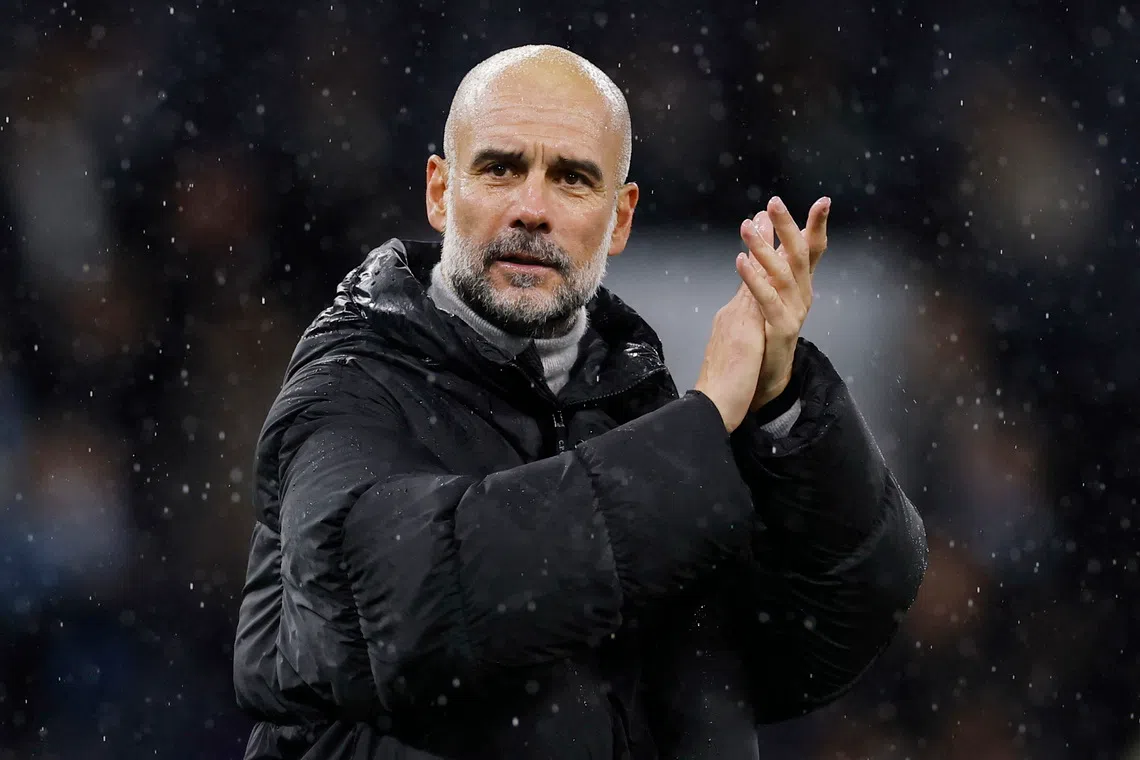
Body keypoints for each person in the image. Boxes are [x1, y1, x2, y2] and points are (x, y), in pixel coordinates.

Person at [232, 44, 928, 760]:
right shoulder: (352, 382)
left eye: (571, 179)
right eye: (501, 168)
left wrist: (783, 404)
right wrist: (704, 420)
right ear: (441, 193)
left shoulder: (637, 404)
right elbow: (400, 611)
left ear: (620, 218)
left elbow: (824, 632)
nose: (532, 209)